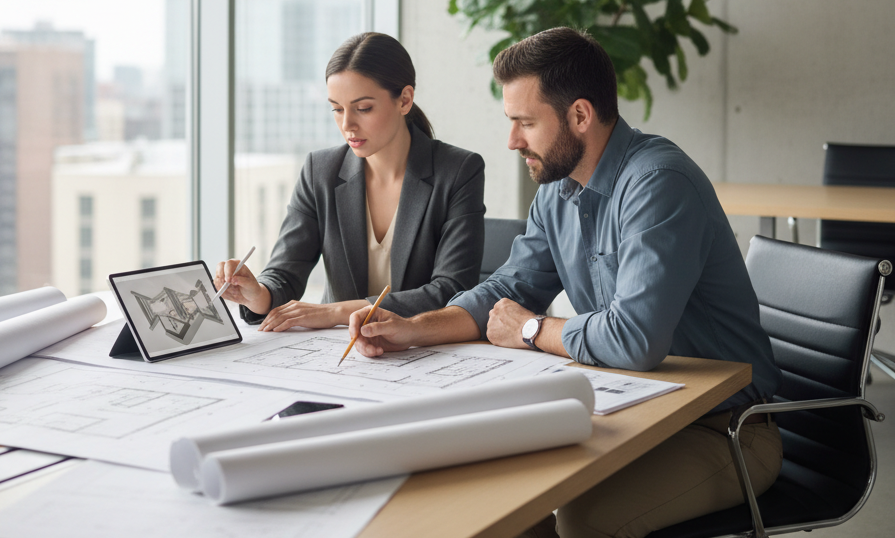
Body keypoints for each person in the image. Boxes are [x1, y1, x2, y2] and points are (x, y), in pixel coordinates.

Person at [348, 28, 783, 538]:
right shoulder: (559, 188)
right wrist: (413, 328)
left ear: (580, 115)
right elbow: (506, 291)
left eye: (525, 123)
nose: (511, 140)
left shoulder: (659, 185)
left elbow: (634, 339)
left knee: (585, 521)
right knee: (496, 494)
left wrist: (532, 331)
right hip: (634, 409)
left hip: (724, 429)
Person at [214, 32, 485, 332]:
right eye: (337, 109)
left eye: (363, 108)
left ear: (405, 100)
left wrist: (337, 312)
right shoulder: (321, 171)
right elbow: (285, 274)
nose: (347, 125)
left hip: (419, 351)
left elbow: (451, 291)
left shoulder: (459, 171)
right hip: (338, 354)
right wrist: (258, 295)